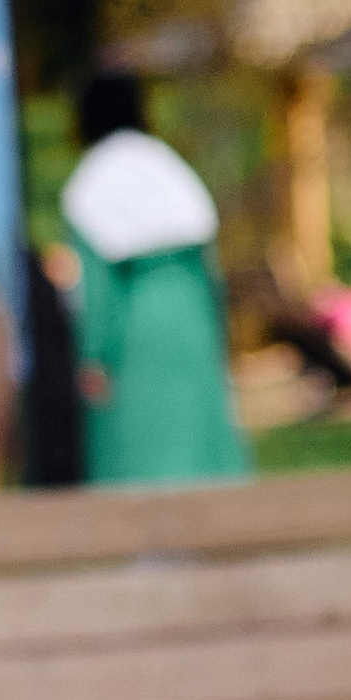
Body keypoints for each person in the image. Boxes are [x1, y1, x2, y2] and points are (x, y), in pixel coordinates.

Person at [60, 72, 250, 484]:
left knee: (140, 443)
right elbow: (209, 266)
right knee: (198, 430)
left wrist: (94, 357)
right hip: (191, 313)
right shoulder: (167, 165)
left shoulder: (90, 180)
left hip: (135, 323)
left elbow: (97, 288)